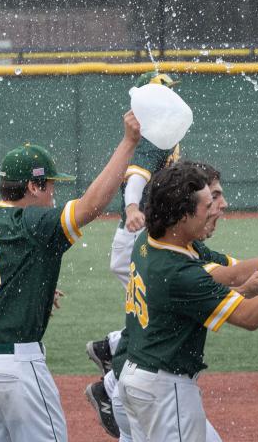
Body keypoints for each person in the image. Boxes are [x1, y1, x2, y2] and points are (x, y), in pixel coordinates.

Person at [0, 112, 143, 441]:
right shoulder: (34, 223)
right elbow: (91, 205)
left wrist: (20, 291)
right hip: (16, 367)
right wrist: (128, 142)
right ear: (32, 186)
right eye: (49, 186)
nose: (52, 195)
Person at [118, 161, 258, 441]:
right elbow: (248, 317)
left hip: (139, 382)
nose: (214, 211)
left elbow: (236, 273)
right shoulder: (178, 273)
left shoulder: (156, 239)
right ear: (183, 215)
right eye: (207, 205)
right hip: (164, 391)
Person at [86, 162, 258, 441]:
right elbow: (237, 305)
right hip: (158, 387)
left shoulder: (157, 240)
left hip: (132, 383)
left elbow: (220, 280)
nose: (218, 206)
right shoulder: (175, 263)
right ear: (184, 209)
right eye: (212, 198)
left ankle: (108, 357)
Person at [87, 71, 183, 376]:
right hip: (138, 233)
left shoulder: (163, 133)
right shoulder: (153, 136)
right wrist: (131, 208)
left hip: (141, 233)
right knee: (158, 311)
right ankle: (114, 360)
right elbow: (136, 177)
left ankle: (112, 350)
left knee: (155, 312)